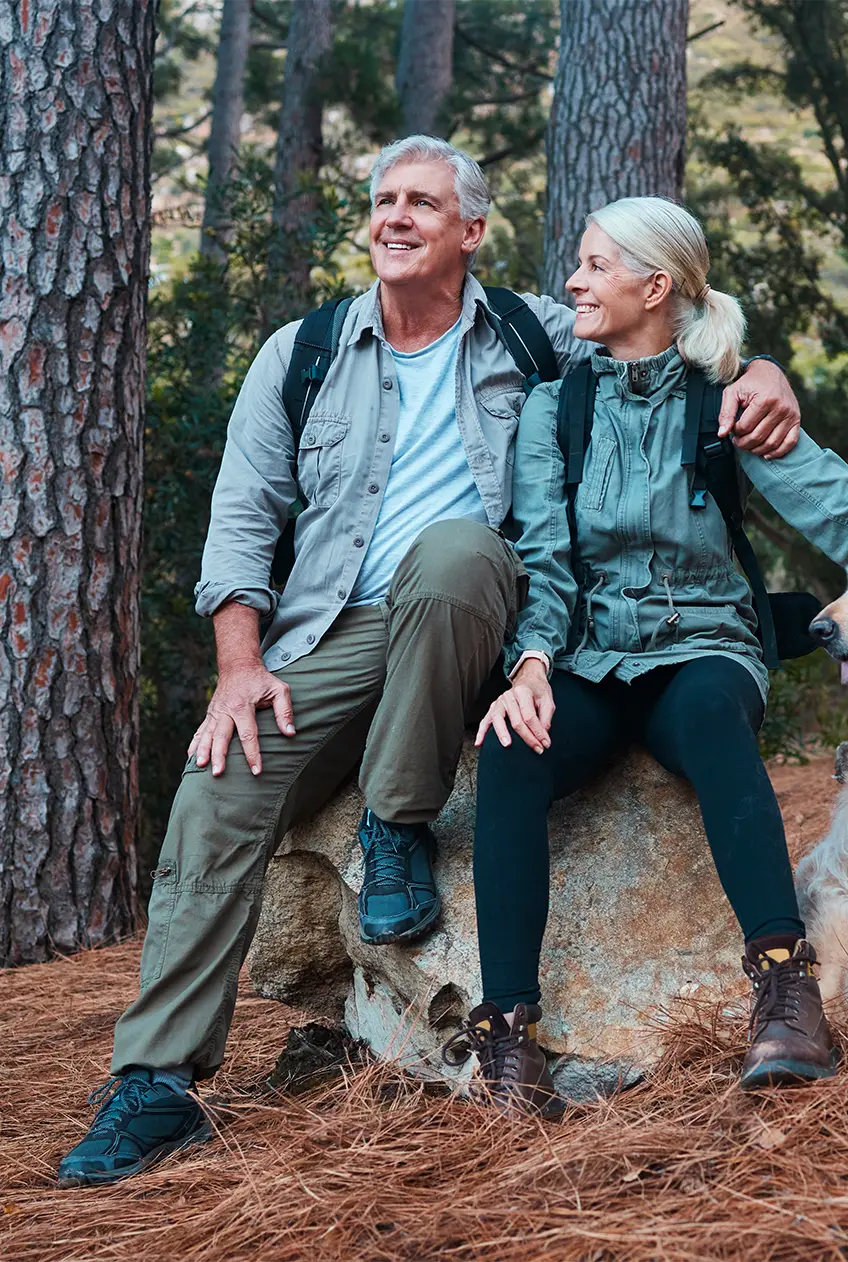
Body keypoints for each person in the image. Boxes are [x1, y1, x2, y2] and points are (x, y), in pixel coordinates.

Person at [56, 140, 802, 1187]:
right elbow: (239, 524)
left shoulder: (536, 334)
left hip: (477, 620)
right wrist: (239, 666)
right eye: (383, 200)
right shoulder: (303, 351)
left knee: (454, 551)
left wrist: (763, 372)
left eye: (423, 202)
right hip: (333, 629)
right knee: (224, 781)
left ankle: (395, 819)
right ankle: (156, 1081)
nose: (395, 217)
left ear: (470, 231)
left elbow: (668, 341)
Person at [445, 196, 848, 1116]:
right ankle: (507, 1039)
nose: (574, 282)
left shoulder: (727, 399)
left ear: (654, 286)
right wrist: (533, 667)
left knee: (709, 715)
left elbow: (845, 509)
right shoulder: (557, 409)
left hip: (704, 644)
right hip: (586, 657)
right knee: (511, 746)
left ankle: (786, 992)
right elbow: (542, 555)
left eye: (593, 266)